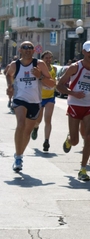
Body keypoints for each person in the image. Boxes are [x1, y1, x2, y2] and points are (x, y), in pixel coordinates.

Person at [57, 41, 90, 181]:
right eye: (89, 52)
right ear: (83, 52)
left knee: (88, 136)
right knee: (75, 141)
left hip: (89, 106)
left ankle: (83, 169)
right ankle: (69, 139)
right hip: (74, 104)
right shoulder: (75, 67)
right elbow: (59, 86)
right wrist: (72, 93)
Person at [6, 41, 55, 172]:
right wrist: (10, 86)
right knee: (20, 124)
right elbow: (8, 74)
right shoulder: (14, 65)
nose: (28, 49)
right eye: (25, 47)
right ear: (20, 50)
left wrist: (40, 77)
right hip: (20, 99)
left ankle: (20, 155)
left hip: (35, 101)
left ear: (34, 51)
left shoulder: (39, 64)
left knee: (27, 131)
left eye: (30, 48)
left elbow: (52, 83)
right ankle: (17, 156)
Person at [30, 51, 58, 152]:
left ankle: (46, 141)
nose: (48, 59)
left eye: (50, 58)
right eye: (46, 58)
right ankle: (36, 128)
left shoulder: (54, 69)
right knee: (38, 120)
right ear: (42, 59)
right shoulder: (39, 69)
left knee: (48, 119)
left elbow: (54, 81)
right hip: (40, 97)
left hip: (50, 97)